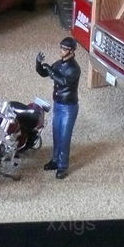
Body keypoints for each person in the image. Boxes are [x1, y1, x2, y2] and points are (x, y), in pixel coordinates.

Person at [35, 36, 81, 179]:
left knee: (64, 137)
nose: (61, 50)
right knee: (56, 133)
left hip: (69, 107)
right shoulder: (58, 64)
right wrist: (38, 64)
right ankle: (55, 160)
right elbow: (44, 73)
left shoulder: (74, 68)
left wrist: (51, 70)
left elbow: (63, 82)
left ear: (72, 51)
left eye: (65, 48)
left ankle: (63, 166)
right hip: (58, 104)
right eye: (61, 47)